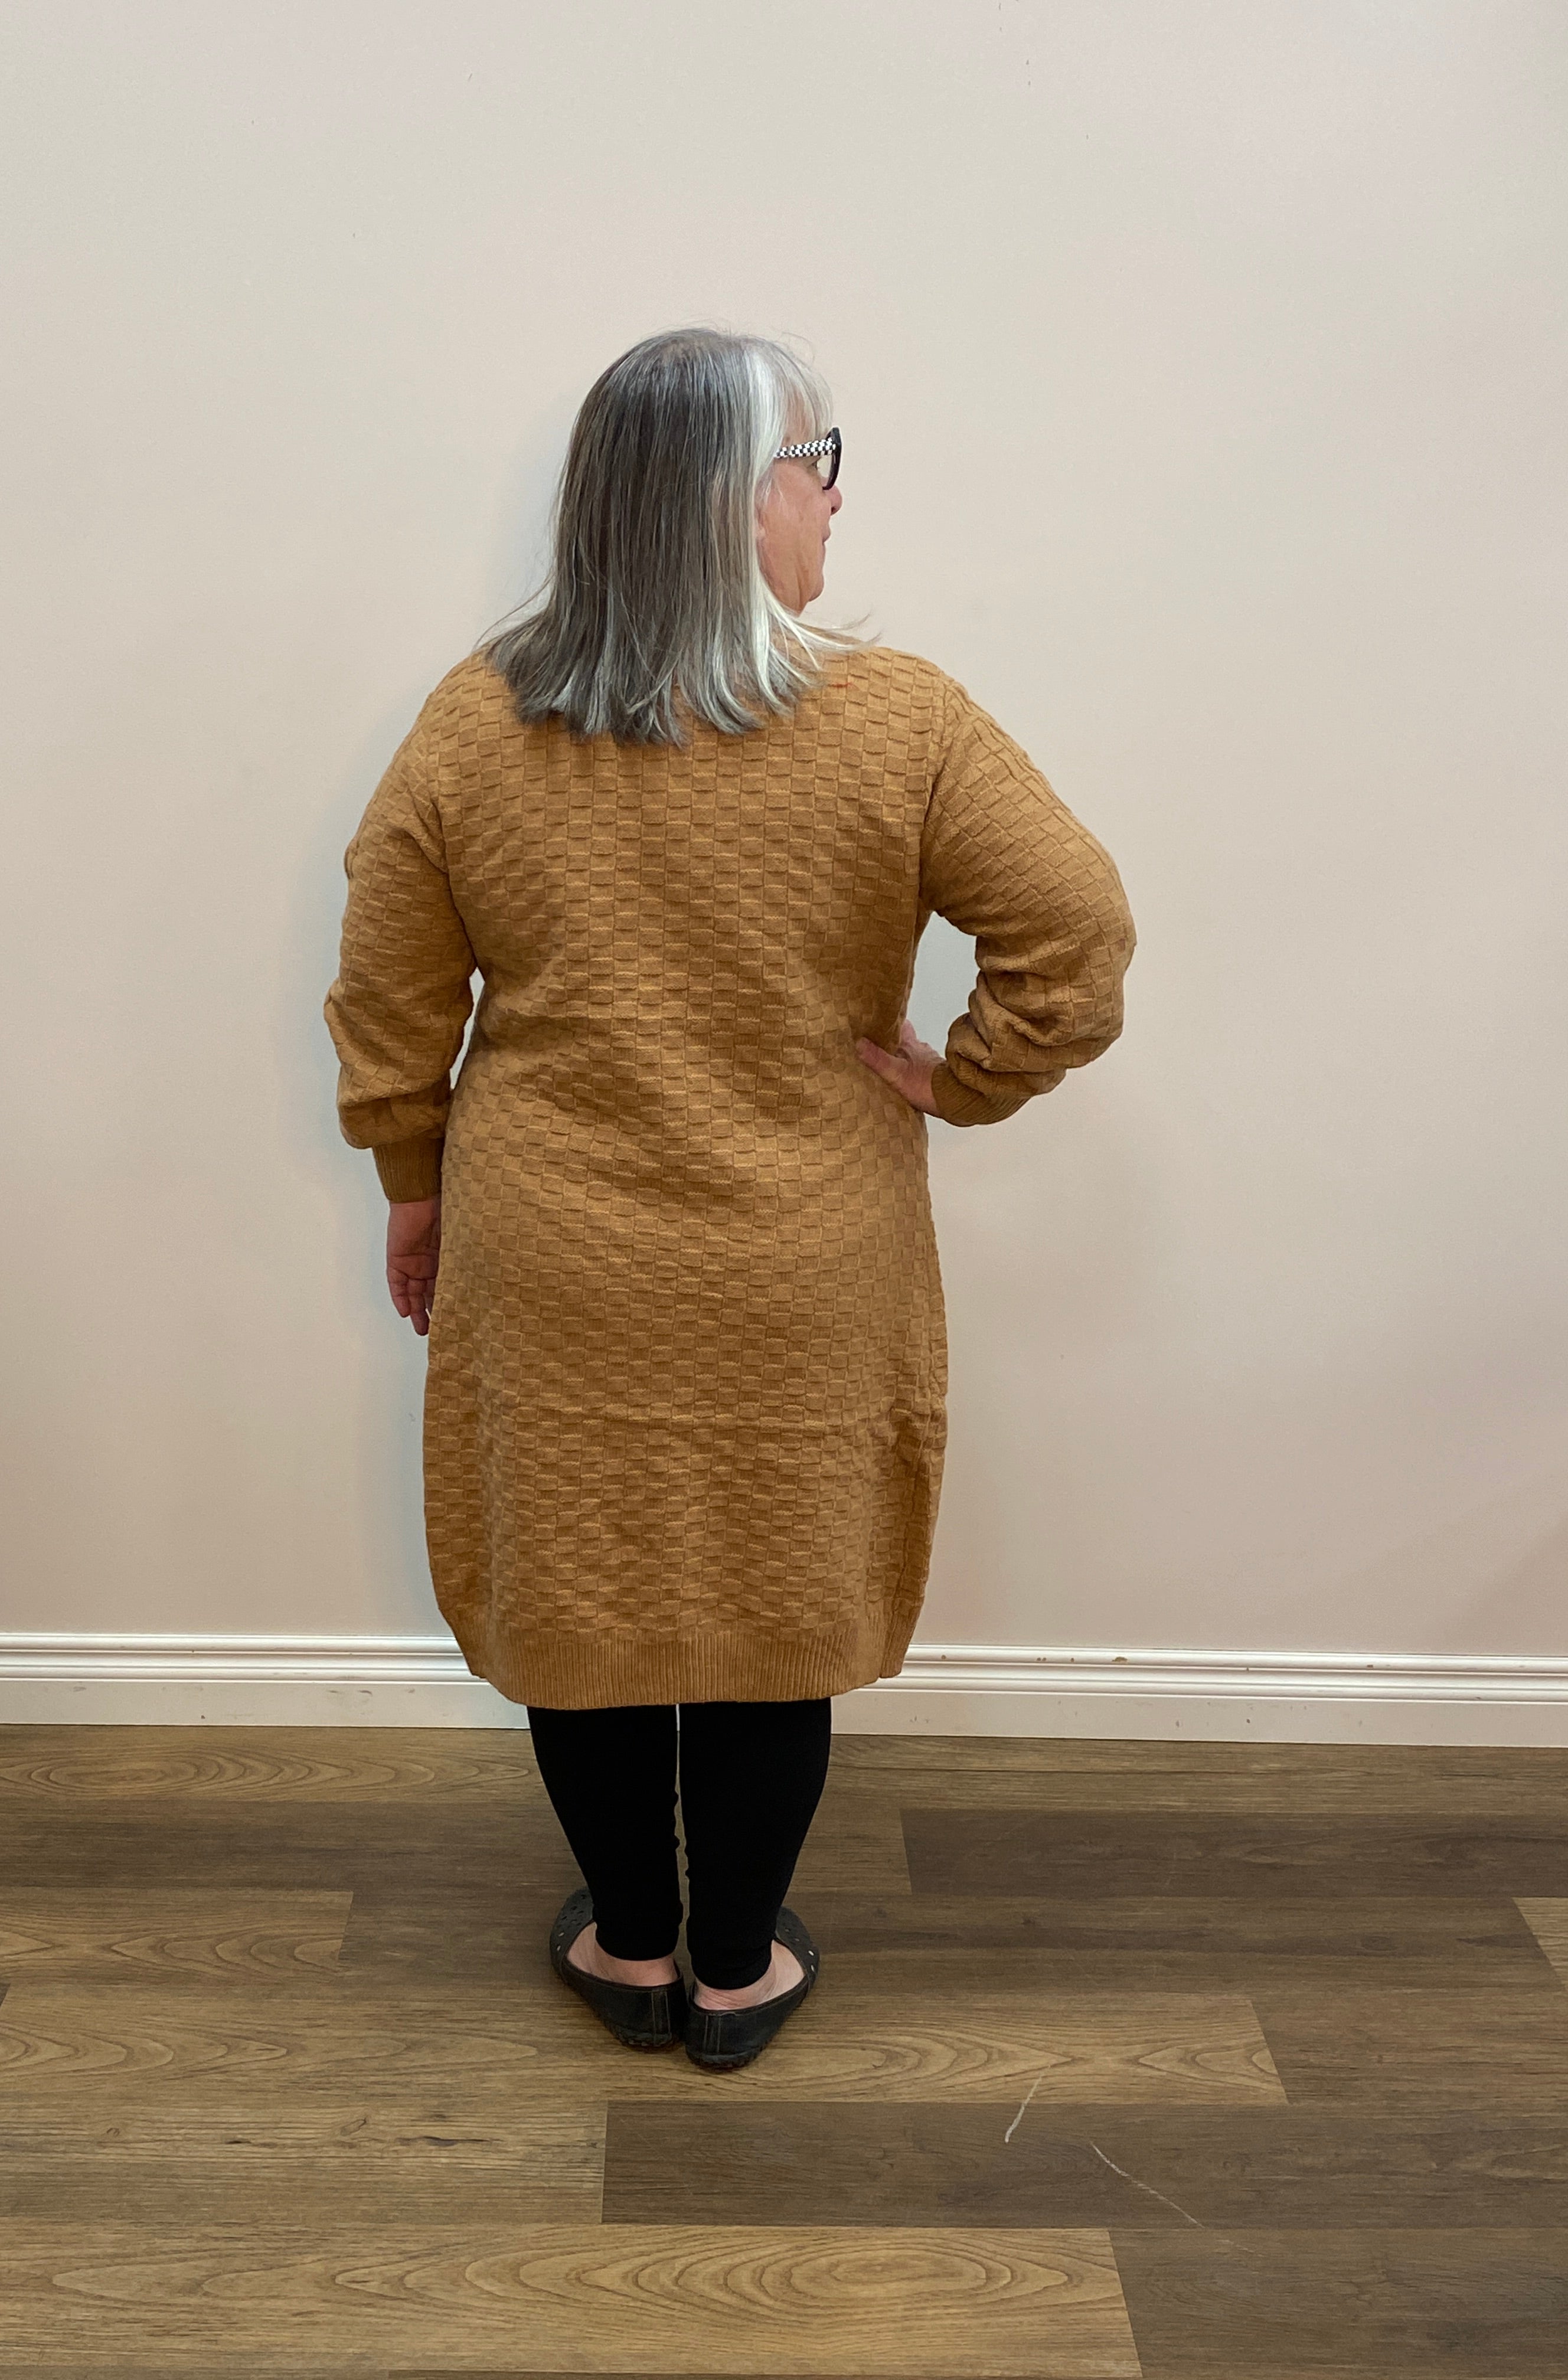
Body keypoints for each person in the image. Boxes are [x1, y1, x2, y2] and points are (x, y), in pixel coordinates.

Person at [324, 326, 1135, 2071]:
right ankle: (736, 1970)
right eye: (817, 463)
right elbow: (1076, 934)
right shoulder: (901, 720)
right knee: (774, 1613)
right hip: (804, 1259)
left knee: (585, 1606)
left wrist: (412, 1184)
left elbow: (391, 992)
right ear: (732, 495)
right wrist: (966, 1078)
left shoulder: (476, 721)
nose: (835, 500)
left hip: (553, 1251)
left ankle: (629, 1946)